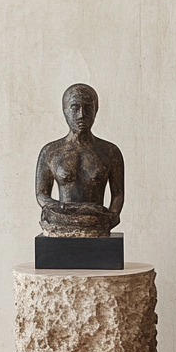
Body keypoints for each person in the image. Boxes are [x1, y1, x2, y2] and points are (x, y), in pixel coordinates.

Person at [36, 84, 124, 237]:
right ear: (64, 111)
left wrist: (112, 215)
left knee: (96, 218)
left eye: (88, 108)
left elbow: (118, 194)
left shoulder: (110, 151)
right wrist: (61, 208)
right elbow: (41, 194)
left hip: (96, 219)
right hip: (62, 218)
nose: (81, 114)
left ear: (96, 111)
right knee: (52, 217)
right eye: (74, 108)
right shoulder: (50, 151)